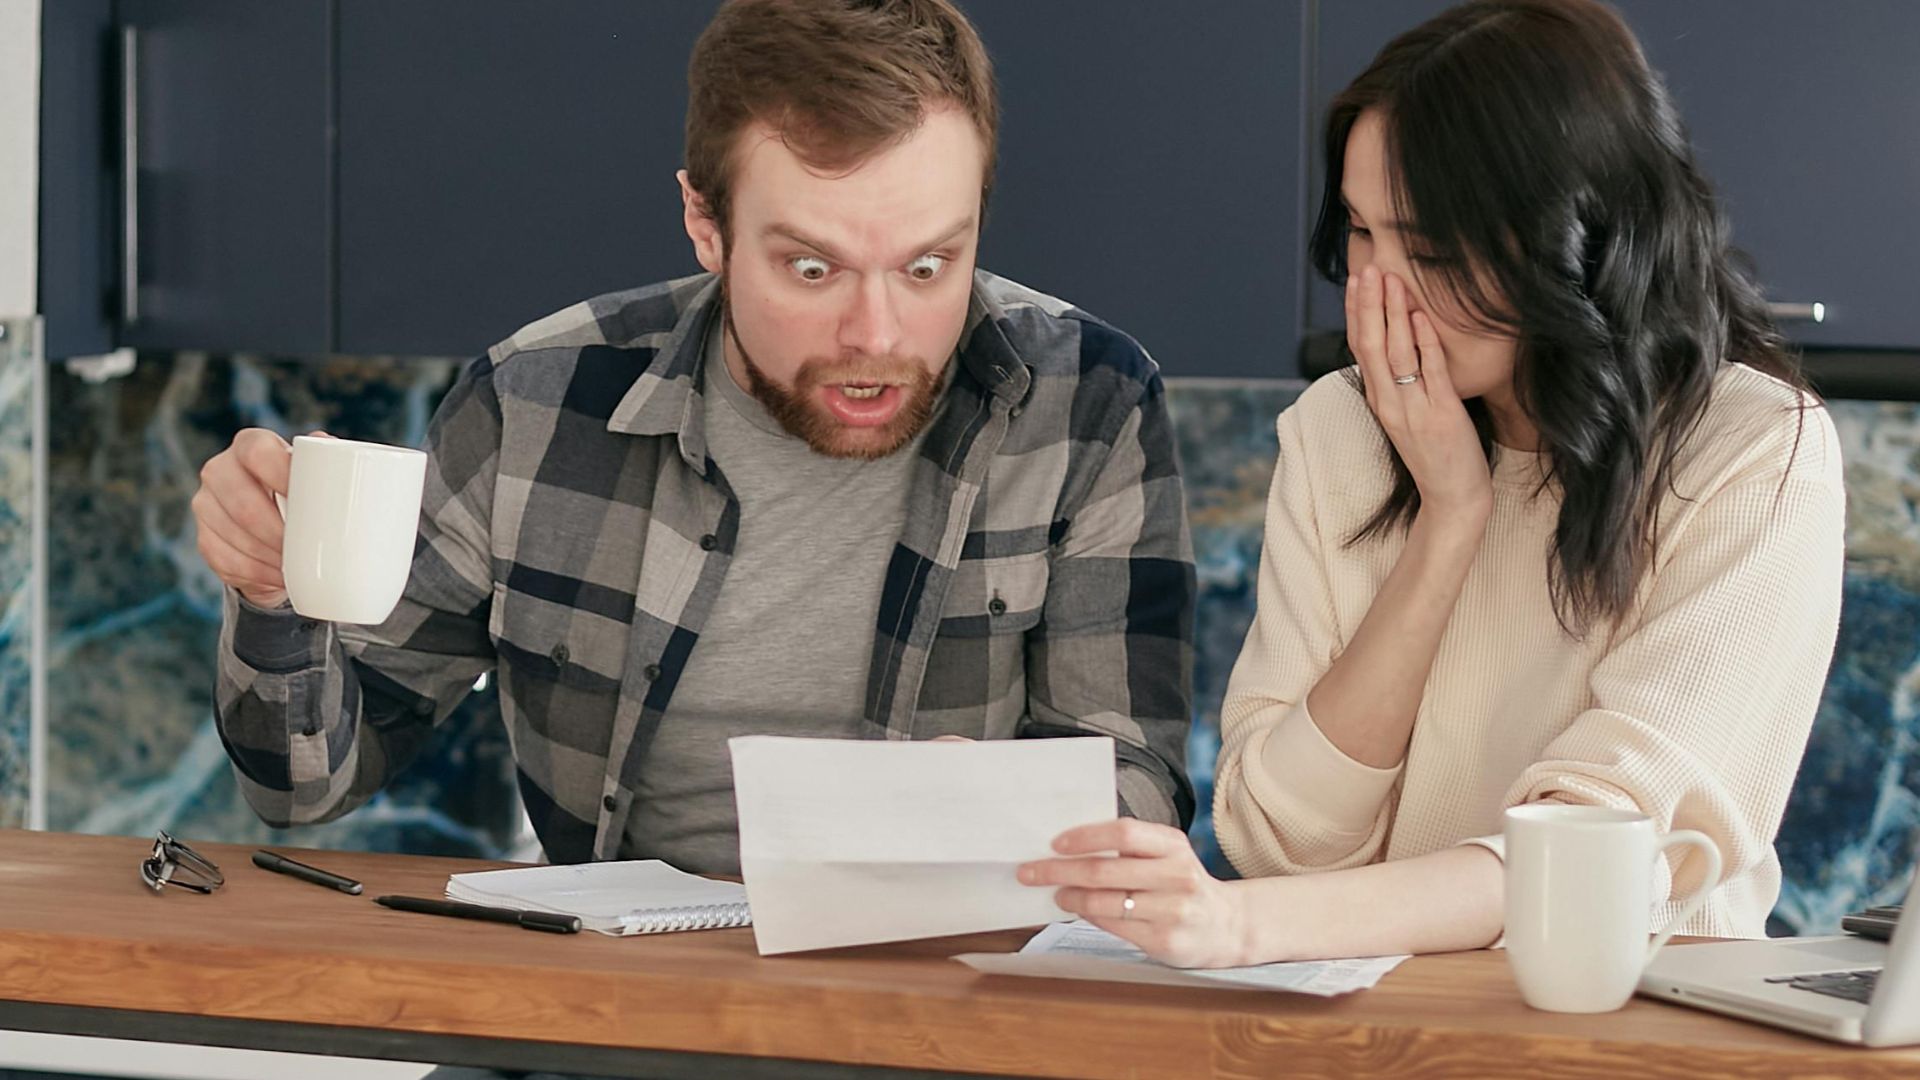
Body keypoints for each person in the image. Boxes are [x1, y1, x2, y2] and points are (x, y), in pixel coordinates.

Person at [194, 0, 1196, 877]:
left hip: (948, 1008)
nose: (877, 336)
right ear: (705, 225)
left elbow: (1139, 790)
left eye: (931, 266)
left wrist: (987, 808)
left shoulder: (1087, 405)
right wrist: (272, 601)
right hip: (623, 1016)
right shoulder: (537, 404)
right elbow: (303, 791)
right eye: (813, 269)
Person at [1020, 0, 1843, 967]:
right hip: (1376, 1031)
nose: (1381, 292)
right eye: (1363, 234)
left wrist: (1239, 924)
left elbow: (1593, 854)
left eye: (1437, 253)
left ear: (1579, 239)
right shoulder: (1340, 431)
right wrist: (1450, 515)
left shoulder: (1753, 453)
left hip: (1633, 1034)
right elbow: (1280, 840)